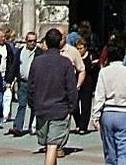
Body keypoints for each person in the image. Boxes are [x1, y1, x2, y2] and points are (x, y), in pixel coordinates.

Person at [29, 28, 78, 165]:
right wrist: (72, 107)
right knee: (52, 146)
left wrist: (33, 104)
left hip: (41, 108)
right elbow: (71, 88)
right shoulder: (65, 62)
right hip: (59, 108)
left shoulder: (37, 62)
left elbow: (31, 86)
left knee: (50, 144)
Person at [90, 40, 126, 165]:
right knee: (124, 151)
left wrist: (95, 116)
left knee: (110, 153)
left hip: (107, 113)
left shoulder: (104, 72)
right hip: (125, 113)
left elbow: (99, 96)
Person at [12, 30, 38, 136]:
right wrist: (10, 79)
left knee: (34, 106)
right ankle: (18, 127)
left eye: (34, 41)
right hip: (22, 82)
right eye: (30, 41)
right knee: (22, 104)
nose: (32, 43)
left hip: (35, 83)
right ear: (26, 41)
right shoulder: (20, 51)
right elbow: (15, 65)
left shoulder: (39, 52)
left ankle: (33, 127)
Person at [74, 36, 100, 133]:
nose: (79, 50)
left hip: (87, 83)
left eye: (81, 48)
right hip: (75, 82)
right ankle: (78, 122)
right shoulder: (75, 57)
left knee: (86, 105)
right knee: (74, 105)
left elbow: (94, 69)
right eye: (77, 48)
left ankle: (83, 126)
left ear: (85, 48)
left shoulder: (91, 56)